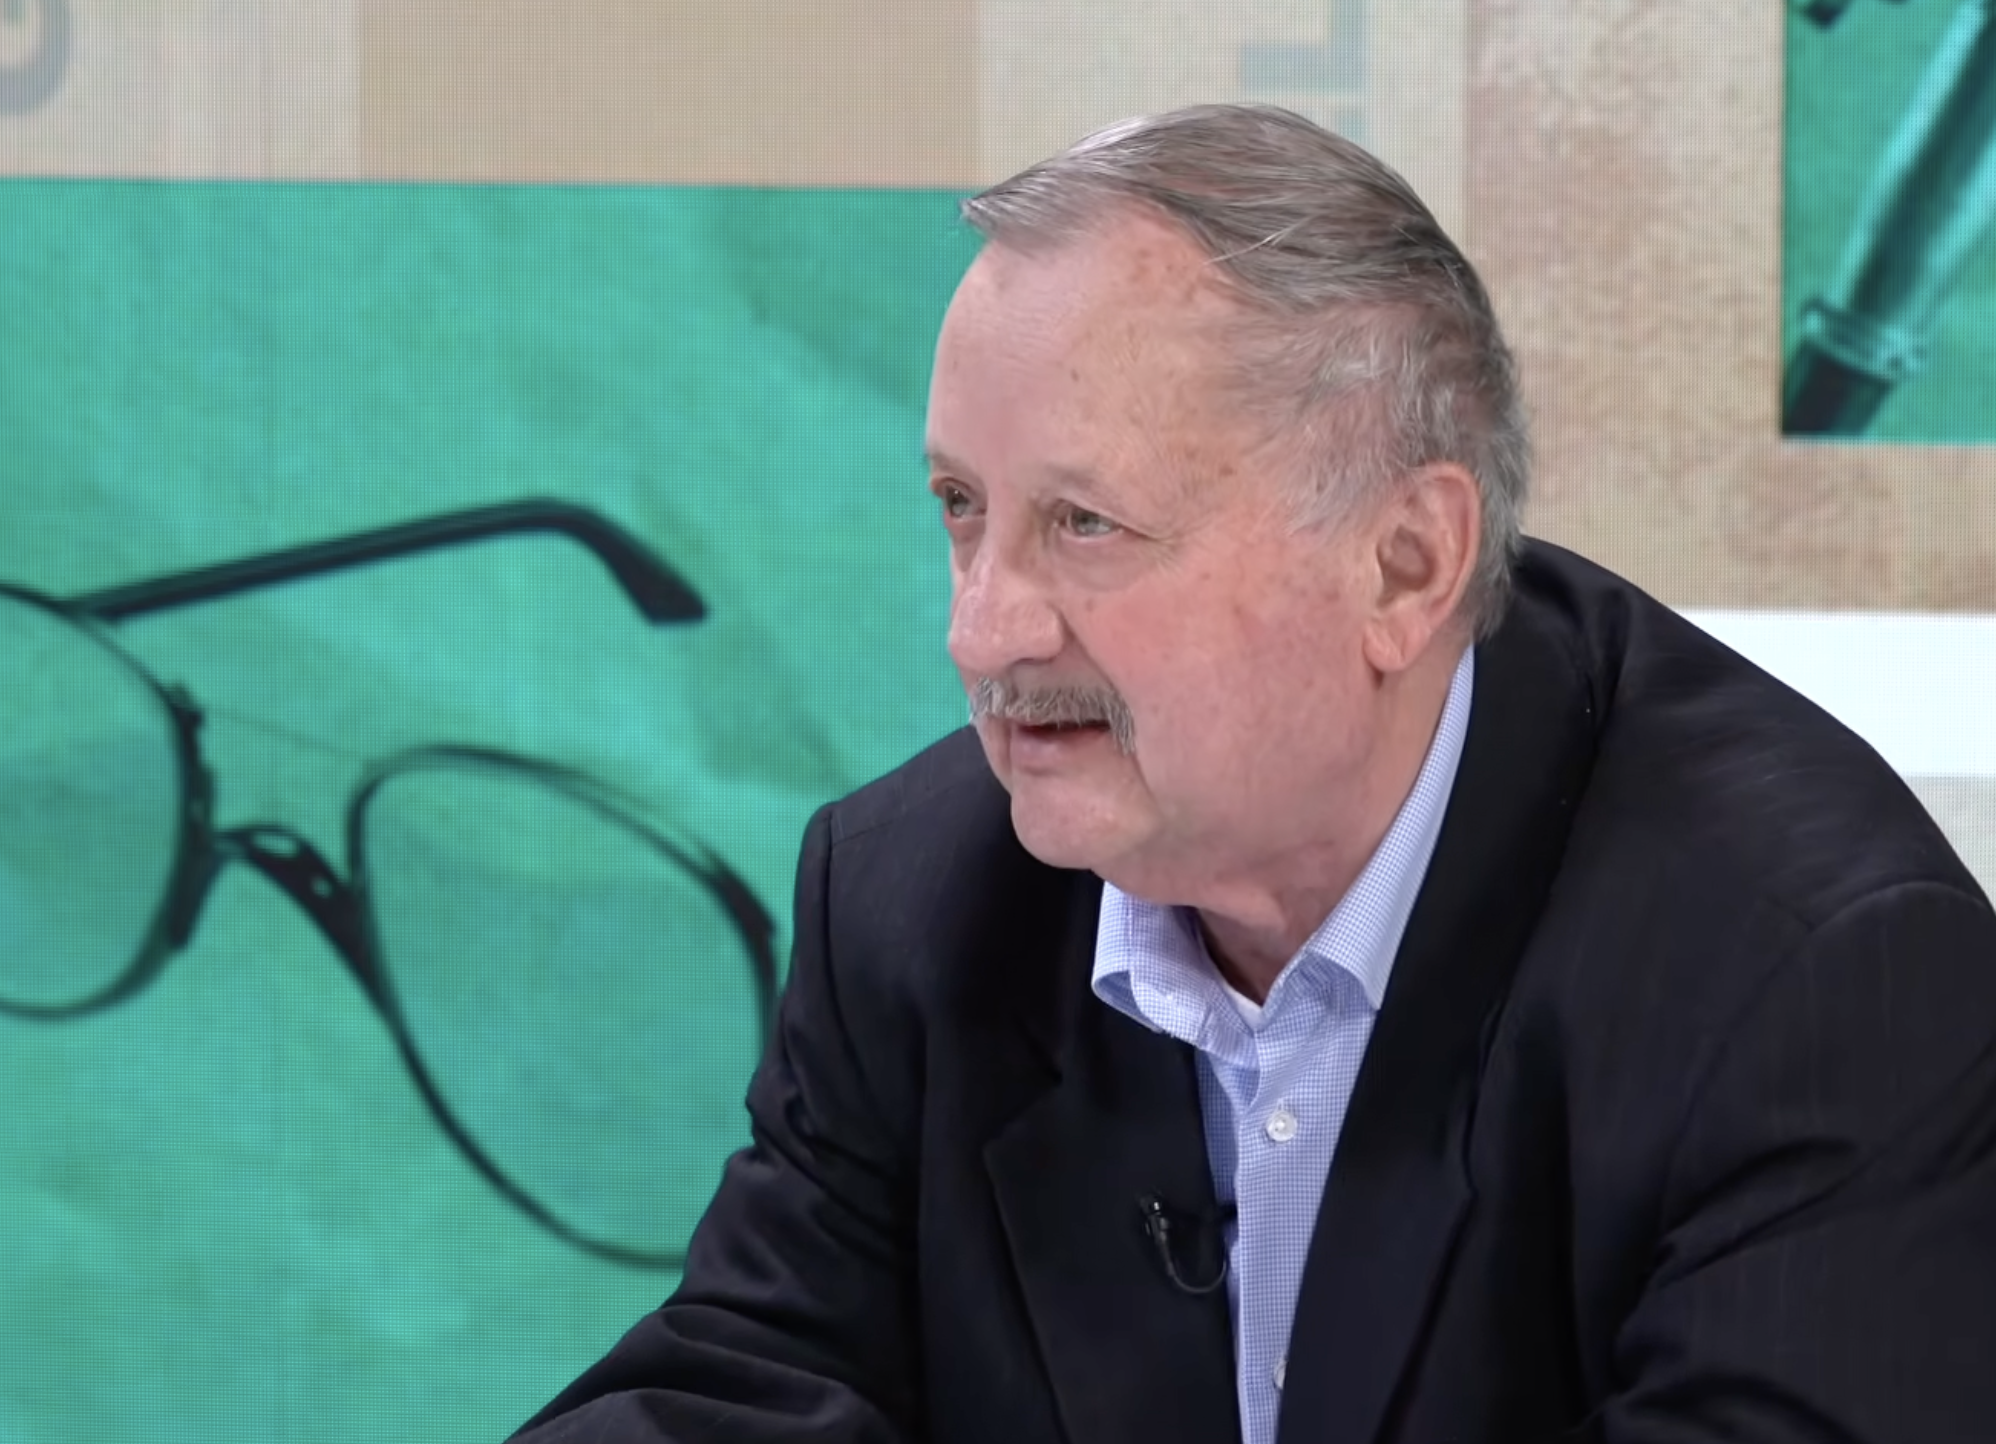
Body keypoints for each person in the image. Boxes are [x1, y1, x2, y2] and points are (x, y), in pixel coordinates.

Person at [511, 103, 1996, 1444]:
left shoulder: (1819, 986)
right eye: (962, 507)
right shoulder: (913, 900)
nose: (981, 629)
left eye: (1085, 523)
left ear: (1402, 564)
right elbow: (748, 1385)